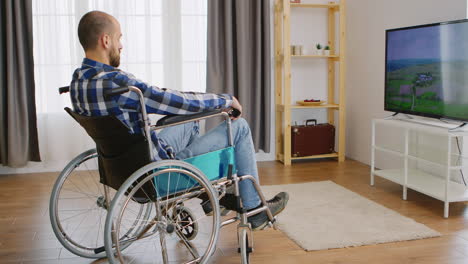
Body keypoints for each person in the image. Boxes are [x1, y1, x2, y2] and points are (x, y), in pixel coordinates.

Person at [70, 11, 288, 230]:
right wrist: (225, 100)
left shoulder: (78, 82)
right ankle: (253, 209)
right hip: (160, 175)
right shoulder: (118, 84)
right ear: (105, 40)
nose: (121, 45)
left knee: (189, 120)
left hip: (122, 171)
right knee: (238, 126)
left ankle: (208, 195)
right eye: (119, 38)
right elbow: (173, 100)